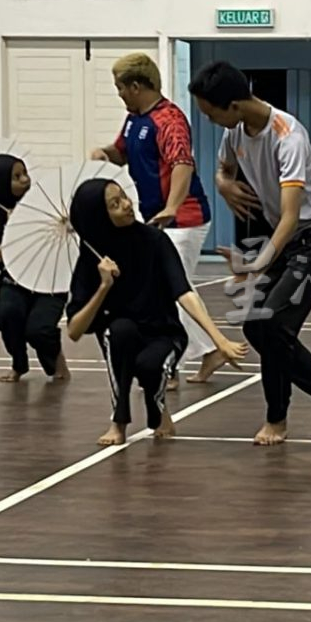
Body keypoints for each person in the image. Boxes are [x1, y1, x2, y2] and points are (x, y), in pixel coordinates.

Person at [188, 60, 311, 446]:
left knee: (272, 326)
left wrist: (257, 264)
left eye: (210, 112)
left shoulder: (289, 136)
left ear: (233, 104)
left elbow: (289, 217)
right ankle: (283, 419)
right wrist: (223, 184)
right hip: (290, 239)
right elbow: (225, 169)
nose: (209, 120)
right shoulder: (235, 132)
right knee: (258, 326)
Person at [64, 178, 249, 446]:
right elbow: (74, 331)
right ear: (99, 217)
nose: (127, 205)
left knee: (149, 366)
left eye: (124, 197)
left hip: (165, 333)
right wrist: (104, 286)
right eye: (115, 205)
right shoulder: (91, 256)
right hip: (123, 334)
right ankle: (119, 422)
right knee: (118, 332)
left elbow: (184, 292)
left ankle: (157, 406)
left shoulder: (154, 240)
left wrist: (220, 340)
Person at [89, 52, 228, 388]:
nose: (119, 94)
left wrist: (172, 206)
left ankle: (174, 360)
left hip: (184, 219)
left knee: (168, 289)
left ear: (136, 86)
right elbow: (123, 152)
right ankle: (203, 351)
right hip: (152, 217)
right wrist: (104, 154)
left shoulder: (170, 120)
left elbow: (182, 163)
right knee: (170, 288)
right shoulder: (134, 118)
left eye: (120, 88)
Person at [0, 154, 70, 384]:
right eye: (16, 177)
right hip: (14, 283)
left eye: (25, 173)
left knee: (39, 330)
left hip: (49, 282)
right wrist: (8, 238)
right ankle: (19, 364)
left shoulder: (43, 207)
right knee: (7, 314)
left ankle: (54, 357)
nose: (25, 180)